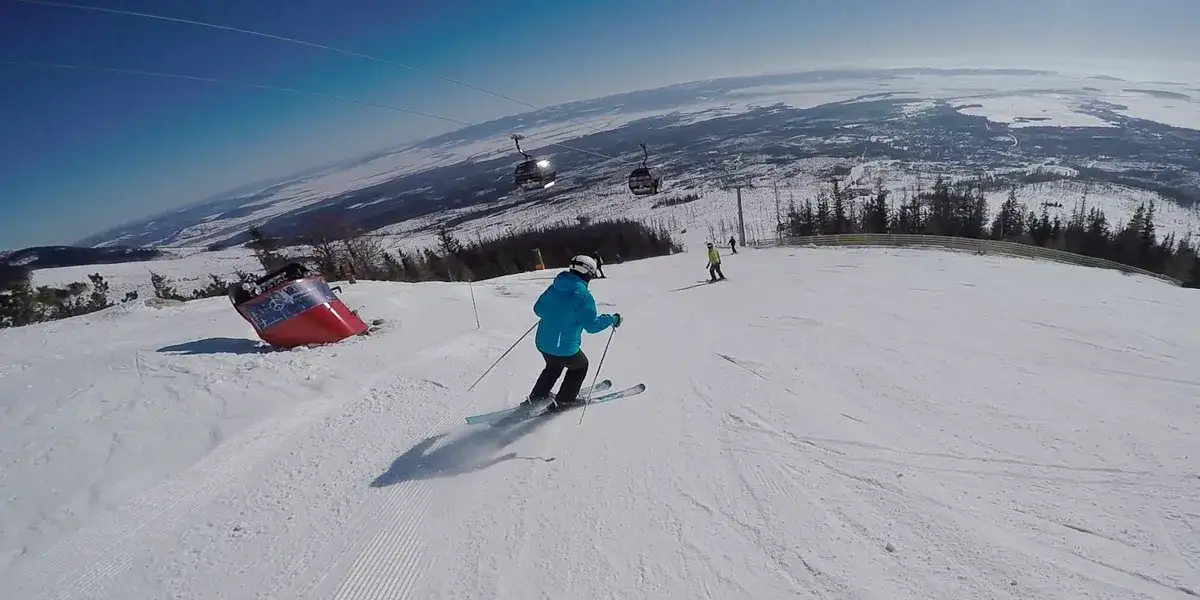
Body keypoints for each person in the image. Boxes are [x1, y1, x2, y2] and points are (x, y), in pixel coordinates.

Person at [525, 255, 622, 412]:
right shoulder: (583, 297)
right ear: (588, 273)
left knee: (553, 366)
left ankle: (538, 396)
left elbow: (538, 310)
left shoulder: (554, 288)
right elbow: (592, 326)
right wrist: (612, 319)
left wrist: (554, 313)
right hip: (563, 347)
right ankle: (564, 400)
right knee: (580, 366)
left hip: (543, 343)